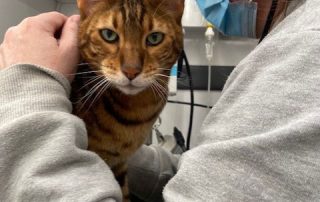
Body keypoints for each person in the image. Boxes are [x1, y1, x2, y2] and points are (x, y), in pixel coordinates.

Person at [1, 0, 320, 201]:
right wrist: (116, 158)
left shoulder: (307, 46)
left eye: (153, 39)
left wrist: (28, 92)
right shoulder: (289, 34)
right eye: (110, 36)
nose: (131, 68)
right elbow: (229, 176)